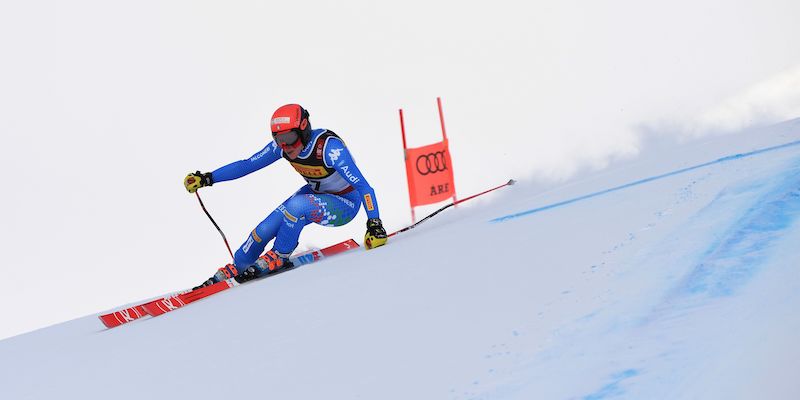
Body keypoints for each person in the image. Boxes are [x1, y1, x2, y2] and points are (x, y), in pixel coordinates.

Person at [184, 104, 387, 288]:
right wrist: (208, 178)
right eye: (279, 140)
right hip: (315, 194)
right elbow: (247, 165)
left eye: (289, 138)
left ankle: (280, 255)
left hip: (345, 203)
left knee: (297, 206)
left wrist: (375, 224)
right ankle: (238, 265)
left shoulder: (329, 149)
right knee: (263, 230)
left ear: (304, 127)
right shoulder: (281, 148)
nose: (286, 146)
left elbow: (364, 187)